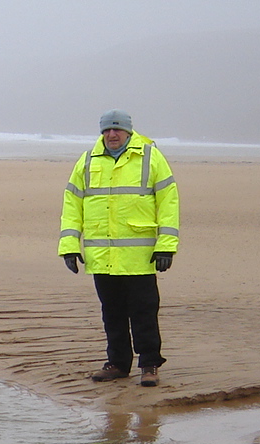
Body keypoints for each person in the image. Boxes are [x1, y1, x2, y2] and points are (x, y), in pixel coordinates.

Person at [59, 110, 179, 387]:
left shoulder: (150, 157)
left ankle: (149, 364)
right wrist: (68, 246)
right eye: (106, 131)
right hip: (102, 256)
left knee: (144, 312)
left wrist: (166, 246)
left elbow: (169, 203)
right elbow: (72, 205)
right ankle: (117, 363)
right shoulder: (88, 160)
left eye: (117, 130)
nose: (112, 135)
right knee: (111, 312)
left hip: (140, 255)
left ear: (128, 131)